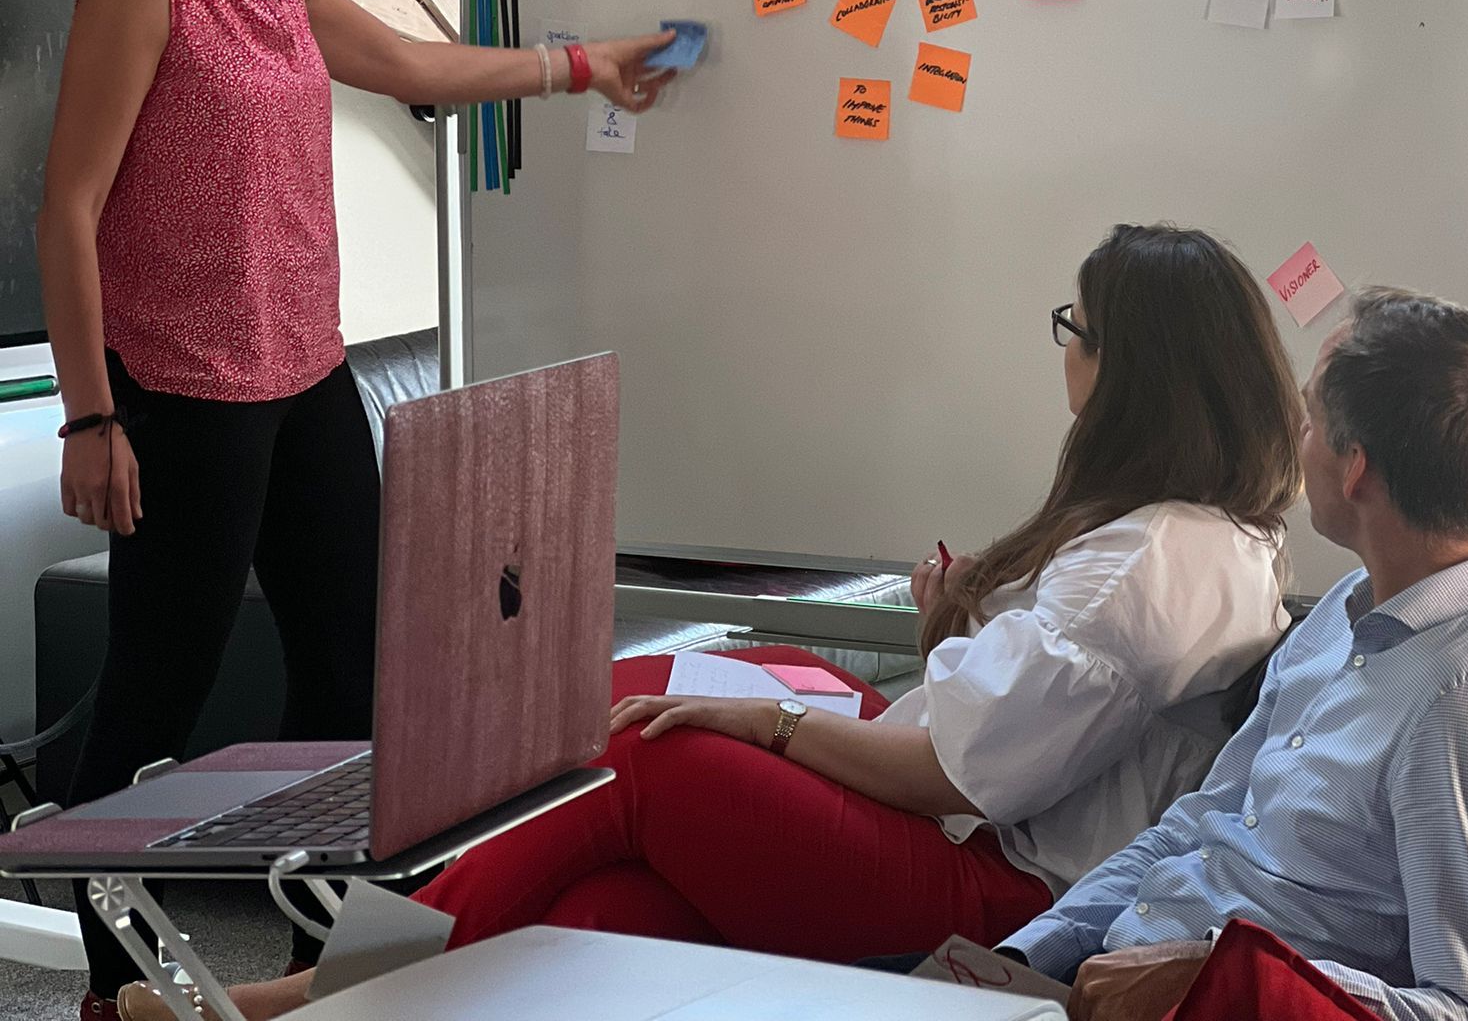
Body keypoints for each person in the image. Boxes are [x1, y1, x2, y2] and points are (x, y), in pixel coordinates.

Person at [151, 222, 1304, 1018]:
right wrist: (942, 638)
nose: (1066, 349)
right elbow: (1016, 730)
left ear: (1130, 369)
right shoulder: (1206, 532)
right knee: (618, 878)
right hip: (985, 817)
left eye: (1075, 327)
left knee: (649, 750)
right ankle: (371, 988)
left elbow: (956, 774)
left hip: (996, 881)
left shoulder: (1144, 562)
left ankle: (325, 993)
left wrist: (776, 729)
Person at [41, 0, 676, 1021]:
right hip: (187, 399)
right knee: (154, 704)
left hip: (305, 374)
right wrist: (91, 418)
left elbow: (406, 61)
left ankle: (347, 972)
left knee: (363, 682)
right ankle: (109, 992)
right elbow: (70, 208)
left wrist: (578, 66)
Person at [929, 287, 1468, 1021]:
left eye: (1310, 418)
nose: (1296, 434)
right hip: (1107, 972)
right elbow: (1197, 825)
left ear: (1355, 468)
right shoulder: (1350, 607)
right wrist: (1026, 958)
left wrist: (1219, 975)